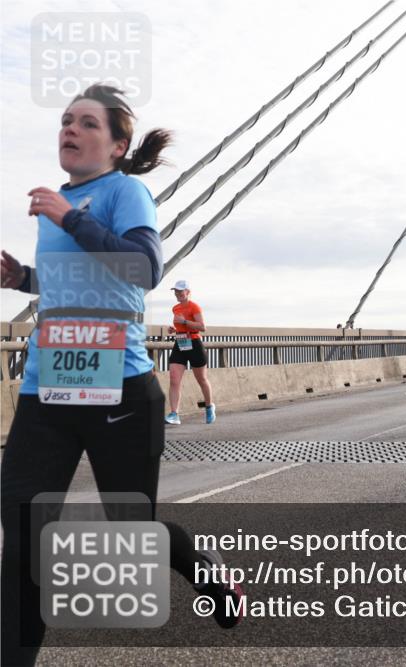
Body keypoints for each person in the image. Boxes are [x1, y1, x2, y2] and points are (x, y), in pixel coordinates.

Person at [0, 84, 243, 666]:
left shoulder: (126, 191)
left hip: (119, 391)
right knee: (25, 539)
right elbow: (81, 281)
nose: (71, 129)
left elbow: (141, 267)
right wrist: (22, 277)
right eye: (65, 121)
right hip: (46, 388)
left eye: (86, 123)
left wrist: (70, 219)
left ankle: (202, 569)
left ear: (117, 144)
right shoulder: (58, 200)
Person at [164, 280, 215, 425]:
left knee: (202, 379)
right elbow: (180, 325)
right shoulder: (175, 308)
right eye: (176, 291)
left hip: (194, 344)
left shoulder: (194, 307)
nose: (178, 294)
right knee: (174, 378)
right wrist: (174, 329)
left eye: (180, 291)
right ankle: (174, 414)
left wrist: (184, 322)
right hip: (180, 343)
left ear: (187, 292)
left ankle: (209, 407)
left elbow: (202, 327)